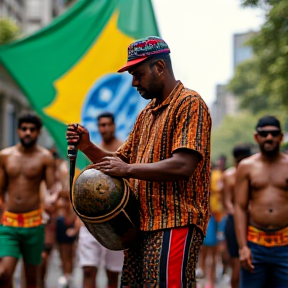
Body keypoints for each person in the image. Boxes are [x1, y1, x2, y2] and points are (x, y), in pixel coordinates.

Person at [66, 36, 211, 287]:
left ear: (160, 67)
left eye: (138, 73)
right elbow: (119, 161)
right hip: (140, 226)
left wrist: (128, 169)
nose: (134, 82)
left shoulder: (189, 103)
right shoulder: (146, 114)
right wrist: (87, 146)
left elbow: (183, 165)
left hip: (176, 223)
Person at [0, 113, 56, 288]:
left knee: (32, 280)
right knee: (4, 274)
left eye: (32, 130)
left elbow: (51, 189)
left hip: (34, 223)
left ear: (38, 132)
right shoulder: (5, 156)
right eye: (24, 129)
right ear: (18, 131)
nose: (27, 133)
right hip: (10, 223)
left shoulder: (45, 157)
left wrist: (51, 202)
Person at [234, 115, 288, 288]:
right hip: (255, 245)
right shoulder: (246, 166)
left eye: (274, 133)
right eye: (264, 134)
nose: (269, 137)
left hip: (285, 245)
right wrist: (243, 247)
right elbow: (240, 207)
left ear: (281, 136)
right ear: (256, 137)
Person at [78, 112, 124, 288]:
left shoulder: (123, 148)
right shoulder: (90, 150)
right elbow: (82, 182)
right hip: (91, 218)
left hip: (116, 220)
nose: (104, 128)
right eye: (101, 125)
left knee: (113, 273)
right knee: (88, 269)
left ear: (114, 125)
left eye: (107, 125)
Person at [223, 145, 251, 288]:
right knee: (237, 263)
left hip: (252, 221)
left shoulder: (253, 171)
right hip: (236, 221)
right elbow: (227, 202)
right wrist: (238, 213)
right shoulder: (229, 175)